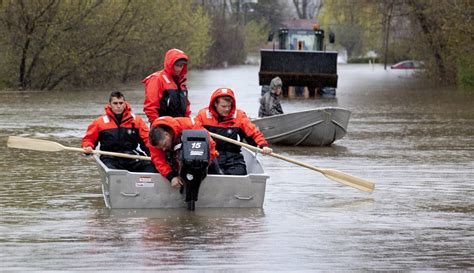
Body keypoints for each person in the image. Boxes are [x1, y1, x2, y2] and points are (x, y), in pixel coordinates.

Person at [195, 88, 272, 175]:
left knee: (240, 173)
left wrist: (263, 145)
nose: (227, 109)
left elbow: (253, 132)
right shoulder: (202, 115)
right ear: (215, 104)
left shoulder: (240, 116)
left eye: (229, 106)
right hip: (210, 157)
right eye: (223, 106)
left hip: (234, 158)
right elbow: (191, 130)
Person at [82, 91, 156, 173]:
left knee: (153, 168)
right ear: (110, 104)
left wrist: (154, 156)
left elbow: (147, 141)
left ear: (125, 104)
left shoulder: (136, 121)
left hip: (131, 156)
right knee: (113, 172)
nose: (118, 106)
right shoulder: (99, 122)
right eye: (115, 103)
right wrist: (88, 147)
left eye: (121, 103)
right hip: (109, 157)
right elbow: (89, 139)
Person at [148, 116, 218, 189]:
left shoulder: (189, 126)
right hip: (174, 160)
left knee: (213, 169)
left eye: (165, 145)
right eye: (161, 148)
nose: (164, 149)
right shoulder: (153, 139)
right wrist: (171, 176)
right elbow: (158, 160)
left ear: (166, 134)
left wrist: (204, 166)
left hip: (200, 157)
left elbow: (211, 146)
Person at [142, 48, 191, 124]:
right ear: (170, 64)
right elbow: (150, 107)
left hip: (180, 126)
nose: (179, 69)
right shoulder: (157, 79)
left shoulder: (181, 82)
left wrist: (188, 123)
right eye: (177, 65)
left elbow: (186, 108)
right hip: (162, 127)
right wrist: (158, 125)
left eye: (181, 66)